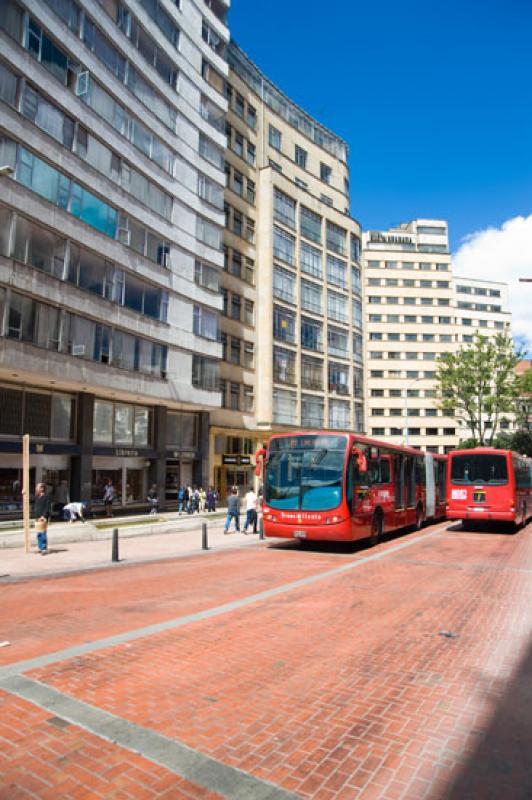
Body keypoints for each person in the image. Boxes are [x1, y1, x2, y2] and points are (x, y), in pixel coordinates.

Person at [33, 482, 53, 554]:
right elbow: (30, 499)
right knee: (39, 533)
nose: (36, 488)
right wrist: (24, 493)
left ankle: (44, 548)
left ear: (42, 488)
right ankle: (40, 547)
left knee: (43, 533)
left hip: (43, 517)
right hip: (37, 516)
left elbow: (47, 507)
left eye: (38, 487)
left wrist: (44, 516)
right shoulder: (37, 496)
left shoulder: (47, 496)